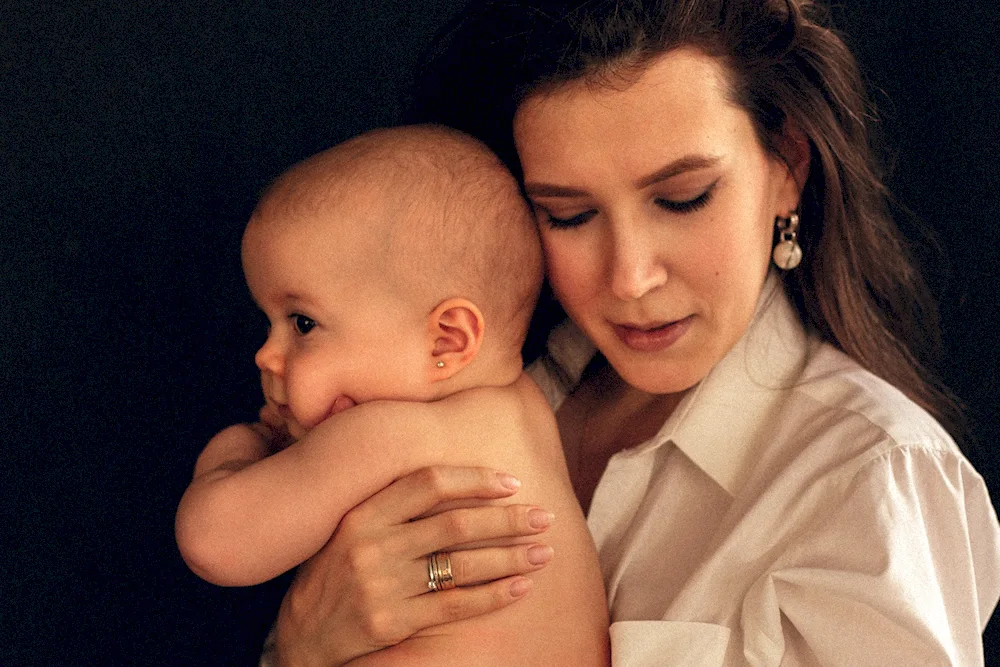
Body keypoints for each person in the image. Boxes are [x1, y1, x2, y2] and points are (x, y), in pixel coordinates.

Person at [268, 1, 1000, 665]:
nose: (629, 278)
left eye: (682, 199)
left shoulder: (866, 482)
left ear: (787, 168)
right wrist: (305, 643)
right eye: (569, 214)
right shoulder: (437, 389)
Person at [174, 125, 610, 665]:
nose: (266, 356)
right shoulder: (526, 415)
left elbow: (216, 543)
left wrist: (239, 449)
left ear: (446, 340)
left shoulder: (391, 435)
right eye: (271, 323)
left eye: (302, 323)